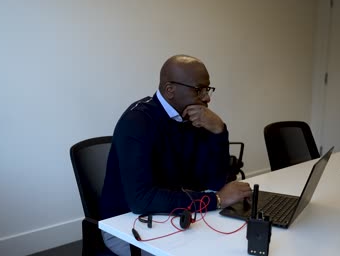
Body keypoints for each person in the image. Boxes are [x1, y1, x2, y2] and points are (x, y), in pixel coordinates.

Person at [100, 54, 252, 256]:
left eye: (207, 89)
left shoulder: (194, 117)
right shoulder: (137, 121)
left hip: (174, 213)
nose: (207, 98)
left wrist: (218, 131)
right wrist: (215, 200)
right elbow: (141, 200)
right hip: (127, 225)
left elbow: (214, 180)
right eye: (199, 90)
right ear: (170, 90)